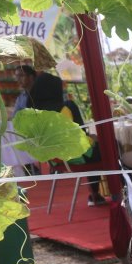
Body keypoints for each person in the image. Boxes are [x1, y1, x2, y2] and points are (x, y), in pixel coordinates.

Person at [27, 73, 105, 206]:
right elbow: (80, 133)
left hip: (54, 160)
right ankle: (111, 192)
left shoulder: (32, 113)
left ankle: (96, 195)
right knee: (109, 147)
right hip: (75, 157)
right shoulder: (66, 107)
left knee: (97, 148)